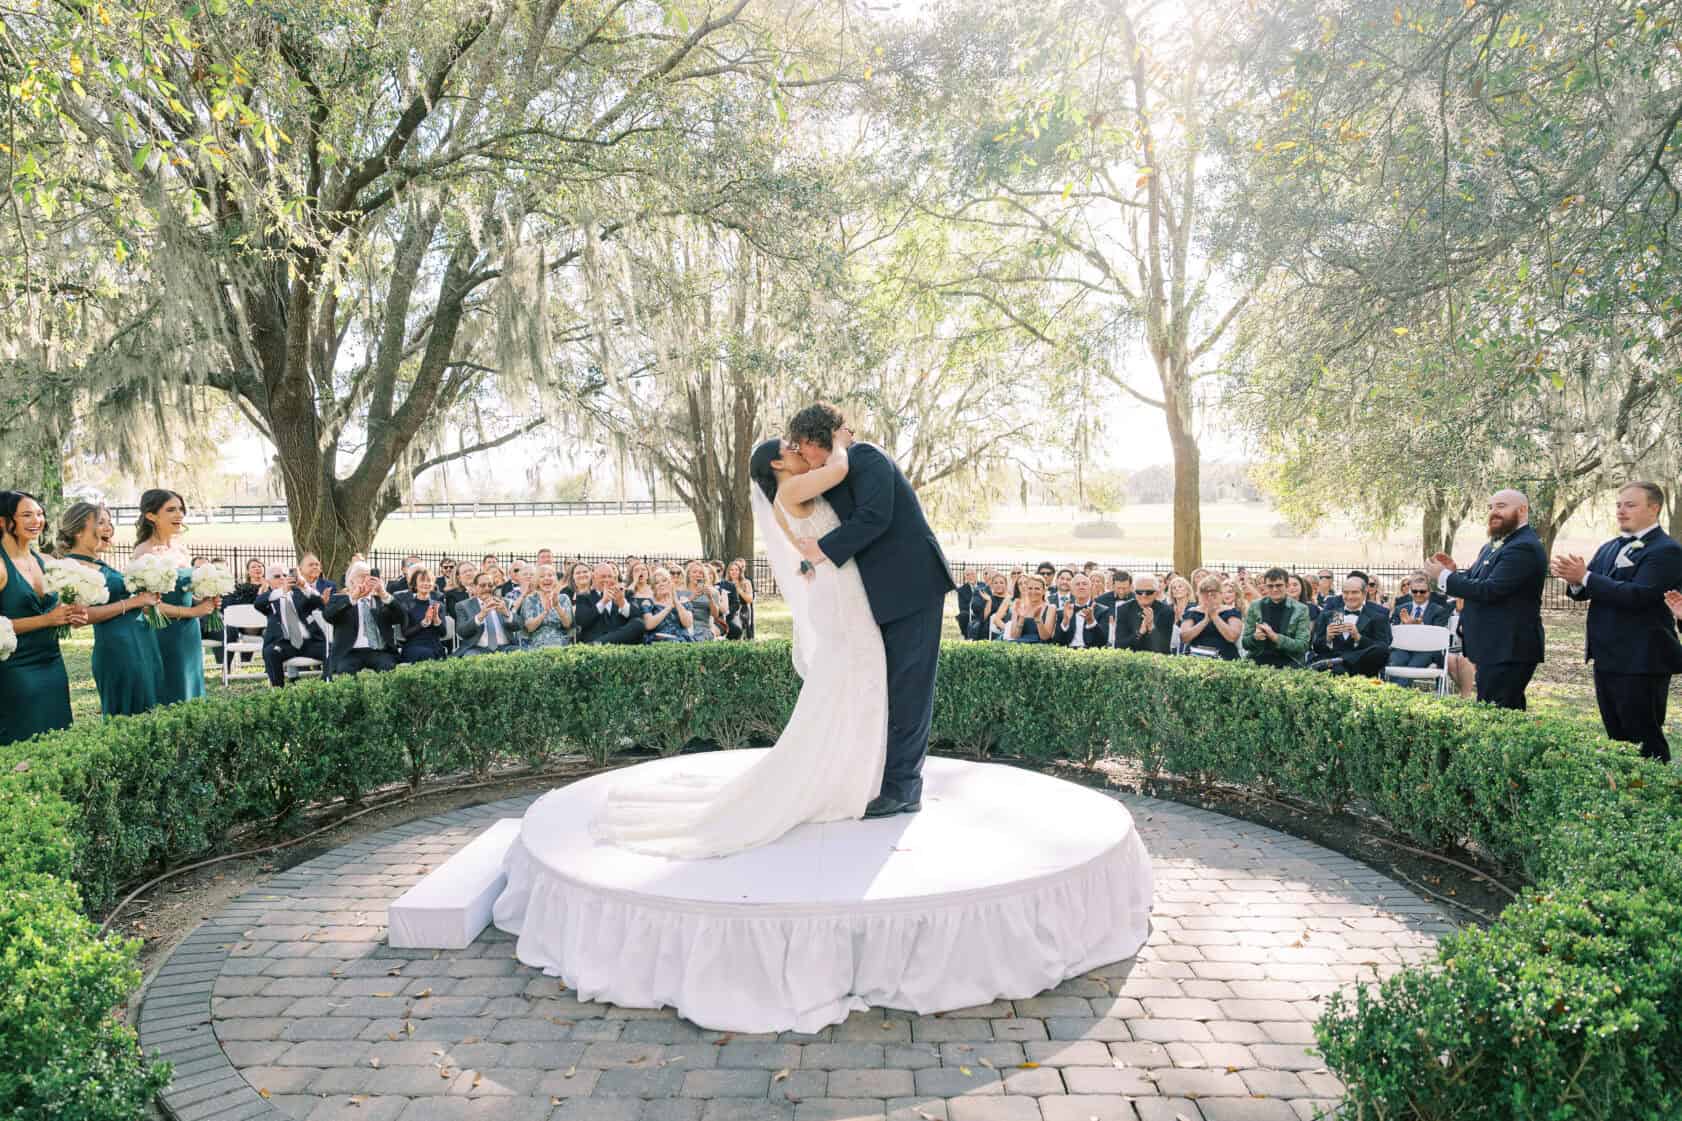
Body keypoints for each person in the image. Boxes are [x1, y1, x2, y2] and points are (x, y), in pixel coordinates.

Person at [590, 426, 879, 857]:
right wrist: (839, 437)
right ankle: (845, 777)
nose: (798, 449)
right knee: (854, 679)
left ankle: (846, 772)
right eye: (790, 448)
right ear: (778, 464)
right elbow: (839, 466)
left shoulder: (788, 495)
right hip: (840, 600)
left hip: (838, 592)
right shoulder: (793, 488)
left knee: (844, 686)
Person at [786, 404, 955, 819]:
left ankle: (904, 789)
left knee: (910, 689)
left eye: (803, 446)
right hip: (884, 594)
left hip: (914, 587)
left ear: (815, 438)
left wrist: (823, 551)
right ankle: (887, 777)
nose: (802, 455)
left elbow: (875, 517)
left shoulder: (869, 458)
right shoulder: (840, 468)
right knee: (892, 685)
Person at [1553, 481, 1682, 763]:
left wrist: (1586, 576)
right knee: (1616, 737)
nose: (1621, 511)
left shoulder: (1666, 550)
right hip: (1606, 655)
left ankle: (1653, 797)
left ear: (1654, 508)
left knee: (1643, 734)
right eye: (1619, 505)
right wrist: (1575, 581)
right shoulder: (1610, 546)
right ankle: (1625, 796)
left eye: (1630, 505)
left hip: (1643, 658)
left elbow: (1640, 595)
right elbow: (1585, 591)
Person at [1424, 489, 1548, 709]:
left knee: (1496, 711)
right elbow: (1475, 582)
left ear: (1522, 510)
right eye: (1490, 507)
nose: (1493, 512)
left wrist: (1444, 577)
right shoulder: (1492, 545)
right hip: (1492, 645)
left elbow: (1491, 590)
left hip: (1510, 646)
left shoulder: (1524, 547)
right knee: (1501, 710)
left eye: (1501, 506)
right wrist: (1453, 572)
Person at [60, 503, 165, 717]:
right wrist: (133, 603)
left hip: (142, 642)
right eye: (101, 522)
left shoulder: (99, 563)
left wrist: (144, 600)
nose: (109, 528)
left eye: (110, 522)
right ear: (79, 531)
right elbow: (80, 616)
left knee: (148, 712)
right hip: (119, 648)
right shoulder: (73, 568)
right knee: (127, 715)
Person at [1, 492, 86, 743]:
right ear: (3, 521)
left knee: (56, 735)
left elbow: (56, 610)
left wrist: (72, 614)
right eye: (26, 514)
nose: (36, 520)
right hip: (15, 668)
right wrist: (46, 620)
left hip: (53, 662)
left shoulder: (47, 562)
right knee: (22, 738)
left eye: (39, 514)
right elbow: (45, 617)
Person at [133, 488, 220, 703]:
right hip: (163, 631)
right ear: (151, 516)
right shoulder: (144, 552)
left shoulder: (181, 550)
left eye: (181, 509)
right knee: (171, 690)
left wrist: (207, 598)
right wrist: (193, 611)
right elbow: (147, 606)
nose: (179, 515)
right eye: (171, 509)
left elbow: (185, 589)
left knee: (191, 687)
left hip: (189, 631)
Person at [322, 562, 401, 676]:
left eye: (369, 576)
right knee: (345, 671)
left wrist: (383, 594)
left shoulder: (381, 600)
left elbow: (402, 618)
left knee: (388, 668)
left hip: (378, 650)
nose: (366, 579)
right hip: (349, 652)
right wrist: (352, 598)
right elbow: (328, 616)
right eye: (362, 576)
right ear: (352, 581)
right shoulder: (339, 599)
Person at [254, 564, 328, 685]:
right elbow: (258, 603)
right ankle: (279, 691)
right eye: (277, 576)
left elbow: (319, 602)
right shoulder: (269, 598)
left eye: (285, 575)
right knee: (270, 652)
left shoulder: (299, 593)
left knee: (332, 649)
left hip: (310, 642)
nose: (282, 578)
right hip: (283, 643)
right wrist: (282, 591)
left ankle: (326, 684)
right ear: (268, 581)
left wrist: (304, 585)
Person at [1309, 575, 1392, 676]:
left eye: (1354, 592)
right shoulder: (1330, 615)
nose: (1350, 597)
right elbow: (1316, 647)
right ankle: (1339, 663)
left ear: (1364, 593)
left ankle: (1342, 660)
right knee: (1338, 670)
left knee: (1382, 651)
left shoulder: (1378, 617)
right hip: (1334, 665)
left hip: (1363, 666)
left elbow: (1383, 647)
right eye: (1346, 593)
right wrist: (1328, 638)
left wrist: (1359, 638)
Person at [1386, 573, 1456, 675]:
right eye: (1415, 591)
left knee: (1411, 669)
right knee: (1395, 663)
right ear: (1411, 592)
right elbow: (1391, 633)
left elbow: (1437, 637)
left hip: (1427, 650)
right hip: (1403, 649)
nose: (1418, 594)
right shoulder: (1400, 609)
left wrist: (1420, 626)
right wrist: (1403, 625)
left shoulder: (1439, 611)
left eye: (1422, 591)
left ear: (1429, 592)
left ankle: (1397, 691)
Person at [1243, 567, 1312, 669]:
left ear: (1287, 585)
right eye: (1270, 586)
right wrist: (1255, 638)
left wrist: (1275, 637)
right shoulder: (1255, 606)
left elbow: (1302, 646)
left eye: (1279, 585)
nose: (1274, 589)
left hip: (1289, 662)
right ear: (1265, 587)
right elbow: (1245, 643)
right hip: (1258, 660)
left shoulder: (1301, 609)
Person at [574, 563, 647, 645]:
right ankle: (597, 643)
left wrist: (622, 603)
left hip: (620, 643)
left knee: (639, 623)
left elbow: (638, 616)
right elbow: (581, 621)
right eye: (603, 577)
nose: (607, 580)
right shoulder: (584, 597)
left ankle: (598, 644)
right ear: (594, 578)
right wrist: (603, 602)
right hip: (595, 639)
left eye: (610, 576)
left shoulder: (625, 593)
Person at [454, 571, 520, 656]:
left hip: (505, 647)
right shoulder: (463, 606)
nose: (487, 588)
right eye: (482, 585)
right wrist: (480, 616)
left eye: (490, 585)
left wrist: (506, 613)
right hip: (477, 649)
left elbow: (518, 626)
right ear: (474, 587)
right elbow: (462, 632)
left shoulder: (505, 603)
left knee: (523, 654)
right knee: (471, 657)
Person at [1180, 576, 1243, 660]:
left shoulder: (1231, 611)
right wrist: (1205, 621)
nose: (1209, 598)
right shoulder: (1192, 612)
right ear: (1199, 595)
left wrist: (1214, 616)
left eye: (1213, 595)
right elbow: (1184, 638)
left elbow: (1232, 637)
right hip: (1196, 658)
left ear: (1220, 594)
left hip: (1224, 659)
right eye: (1205, 594)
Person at [1108, 574, 1173, 654]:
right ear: (1134, 592)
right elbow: (1120, 645)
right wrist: (1140, 632)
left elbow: (1164, 648)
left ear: (1156, 593)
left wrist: (1151, 627)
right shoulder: (1123, 609)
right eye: (1139, 592)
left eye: (1149, 592)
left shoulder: (1166, 612)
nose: (1144, 595)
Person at [397, 565, 450, 662]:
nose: (426, 584)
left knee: (433, 654)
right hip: (413, 646)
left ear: (433, 584)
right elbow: (405, 633)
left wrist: (437, 620)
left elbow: (443, 634)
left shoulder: (439, 605)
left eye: (429, 581)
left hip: (434, 645)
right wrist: (423, 623)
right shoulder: (406, 605)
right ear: (415, 584)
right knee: (426, 654)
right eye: (422, 581)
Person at [514, 563, 573, 649]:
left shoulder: (563, 598)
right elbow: (530, 627)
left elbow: (567, 624)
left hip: (561, 643)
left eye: (550, 575)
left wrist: (557, 606)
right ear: (537, 581)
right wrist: (545, 612)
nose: (546, 578)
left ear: (555, 579)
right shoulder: (530, 599)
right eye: (542, 576)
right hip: (537, 644)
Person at [1055, 573, 1110, 649]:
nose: (1081, 587)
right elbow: (1057, 642)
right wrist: (1065, 621)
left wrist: (1091, 622)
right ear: (1071, 590)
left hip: (1092, 654)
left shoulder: (1102, 611)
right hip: (1068, 653)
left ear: (1091, 588)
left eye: (1084, 584)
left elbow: (1102, 642)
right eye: (1077, 584)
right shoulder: (1062, 612)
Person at [640, 567, 695, 643]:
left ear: (670, 583)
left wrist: (676, 602)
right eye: (657, 583)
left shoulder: (683, 601)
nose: (661, 584)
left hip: (681, 639)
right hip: (658, 640)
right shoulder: (648, 603)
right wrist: (668, 608)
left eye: (664, 581)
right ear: (653, 587)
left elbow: (687, 624)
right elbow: (649, 625)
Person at [678, 561, 724, 641]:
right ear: (688, 574)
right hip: (684, 627)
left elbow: (715, 615)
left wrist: (710, 598)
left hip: (703, 628)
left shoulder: (713, 592)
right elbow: (676, 611)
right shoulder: (680, 592)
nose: (697, 575)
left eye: (700, 573)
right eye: (694, 572)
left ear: (704, 576)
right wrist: (690, 598)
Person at [722, 558, 754, 640]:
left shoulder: (746, 582)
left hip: (742, 612)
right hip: (728, 612)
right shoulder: (724, 583)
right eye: (731, 570)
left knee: (743, 635)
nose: (734, 572)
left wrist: (738, 588)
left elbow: (749, 600)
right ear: (728, 572)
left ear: (740, 571)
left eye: (736, 570)